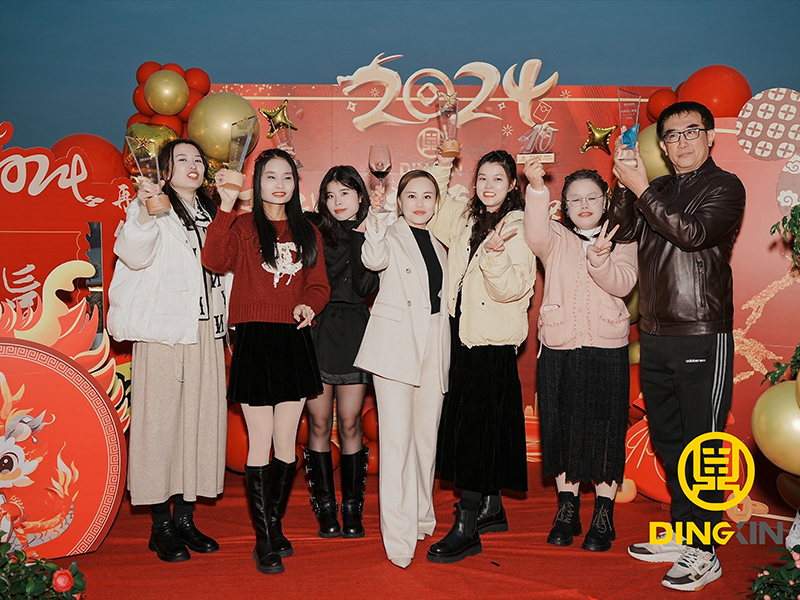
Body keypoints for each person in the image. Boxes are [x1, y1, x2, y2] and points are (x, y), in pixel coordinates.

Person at [609, 101, 746, 592]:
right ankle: (688, 536)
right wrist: (623, 181)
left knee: (701, 447)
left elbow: (693, 234)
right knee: (668, 442)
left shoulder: (725, 186)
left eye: (692, 131)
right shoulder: (659, 188)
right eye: (672, 135)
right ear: (663, 147)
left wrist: (641, 188)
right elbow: (623, 229)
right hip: (654, 334)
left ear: (710, 137)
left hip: (701, 331)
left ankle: (705, 553)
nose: (682, 141)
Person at [202, 148, 330, 574]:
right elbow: (214, 260)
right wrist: (224, 207)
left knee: (286, 443)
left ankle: (273, 525)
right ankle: (264, 541)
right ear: (257, 183)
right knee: (260, 442)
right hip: (255, 337)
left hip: (293, 338)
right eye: (270, 176)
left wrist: (309, 305)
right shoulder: (242, 226)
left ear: (296, 184)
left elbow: (318, 284)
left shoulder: (307, 231)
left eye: (287, 177)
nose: (279, 184)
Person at [107, 139, 228, 563]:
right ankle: (160, 526)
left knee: (199, 424)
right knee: (159, 427)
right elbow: (131, 253)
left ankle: (186, 519)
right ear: (165, 170)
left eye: (198, 160)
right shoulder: (151, 207)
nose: (193, 165)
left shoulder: (212, 213)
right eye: (182, 159)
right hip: (164, 331)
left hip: (206, 332)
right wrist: (143, 211)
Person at [427, 149, 536, 563]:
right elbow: (434, 212)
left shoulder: (519, 227)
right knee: (481, 426)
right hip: (463, 335)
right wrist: (443, 163)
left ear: (512, 185)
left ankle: (467, 525)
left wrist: (494, 256)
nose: (488, 186)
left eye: (498, 179)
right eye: (482, 178)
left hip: (490, 343)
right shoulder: (468, 218)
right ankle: (492, 506)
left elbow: (512, 290)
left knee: (475, 431)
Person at [523, 161, 637, 552]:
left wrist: (601, 259)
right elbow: (534, 230)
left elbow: (624, 283)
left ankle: (603, 516)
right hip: (560, 345)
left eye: (592, 198)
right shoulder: (554, 236)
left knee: (606, 432)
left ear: (606, 201)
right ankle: (567, 510)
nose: (584, 205)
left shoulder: (624, 237)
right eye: (575, 200)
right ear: (564, 206)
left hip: (607, 346)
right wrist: (536, 187)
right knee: (561, 428)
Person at [353, 170, 449, 569]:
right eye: (411, 196)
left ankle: (421, 516)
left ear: (436, 203)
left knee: (426, 441)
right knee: (396, 444)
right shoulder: (388, 234)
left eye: (427, 196)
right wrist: (376, 219)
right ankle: (398, 537)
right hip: (396, 345)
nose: (420, 203)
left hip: (433, 345)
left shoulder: (441, 244)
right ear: (400, 201)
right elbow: (373, 259)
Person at [304, 166, 378, 539]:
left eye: (345, 194)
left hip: (353, 330)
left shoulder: (372, 232)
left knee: (350, 423)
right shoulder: (312, 231)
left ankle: (352, 510)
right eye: (330, 195)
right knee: (318, 423)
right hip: (317, 328)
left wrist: (364, 236)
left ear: (360, 197)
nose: (337, 202)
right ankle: (325, 509)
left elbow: (366, 286)